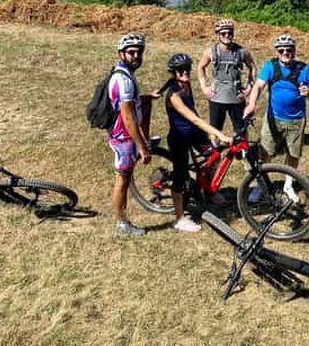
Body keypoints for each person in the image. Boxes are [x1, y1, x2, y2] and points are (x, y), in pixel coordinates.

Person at [159, 53, 231, 232]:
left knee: (214, 155)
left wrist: (210, 137)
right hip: (179, 138)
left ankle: (208, 191)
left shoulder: (186, 86)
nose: (185, 72)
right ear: (174, 72)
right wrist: (217, 133)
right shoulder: (173, 95)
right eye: (180, 70)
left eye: (187, 69)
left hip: (194, 133)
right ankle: (180, 218)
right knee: (180, 178)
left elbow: (194, 111)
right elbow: (193, 118)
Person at [243, 34, 309, 200]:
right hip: (273, 118)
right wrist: (252, 104)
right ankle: (261, 185)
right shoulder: (270, 66)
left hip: (296, 120)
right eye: (281, 50)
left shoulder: (304, 69)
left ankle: (288, 185)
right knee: (265, 152)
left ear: (294, 51)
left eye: (289, 49)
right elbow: (259, 86)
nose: (285, 52)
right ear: (276, 51)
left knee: (294, 154)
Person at [108, 33, 156, 237]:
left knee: (124, 177)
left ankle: (122, 220)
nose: (136, 56)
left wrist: (146, 97)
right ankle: (122, 223)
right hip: (124, 137)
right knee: (123, 179)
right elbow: (127, 117)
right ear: (121, 54)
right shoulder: (123, 79)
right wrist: (141, 146)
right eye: (131, 52)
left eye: (139, 52)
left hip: (124, 135)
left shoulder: (126, 73)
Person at [197, 19, 256, 136]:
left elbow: (253, 67)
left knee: (241, 128)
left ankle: (241, 151)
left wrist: (249, 89)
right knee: (215, 129)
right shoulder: (211, 52)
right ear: (218, 35)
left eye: (230, 33)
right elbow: (200, 67)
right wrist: (204, 87)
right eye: (223, 33)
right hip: (217, 96)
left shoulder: (241, 52)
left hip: (236, 96)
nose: (227, 36)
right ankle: (215, 150)